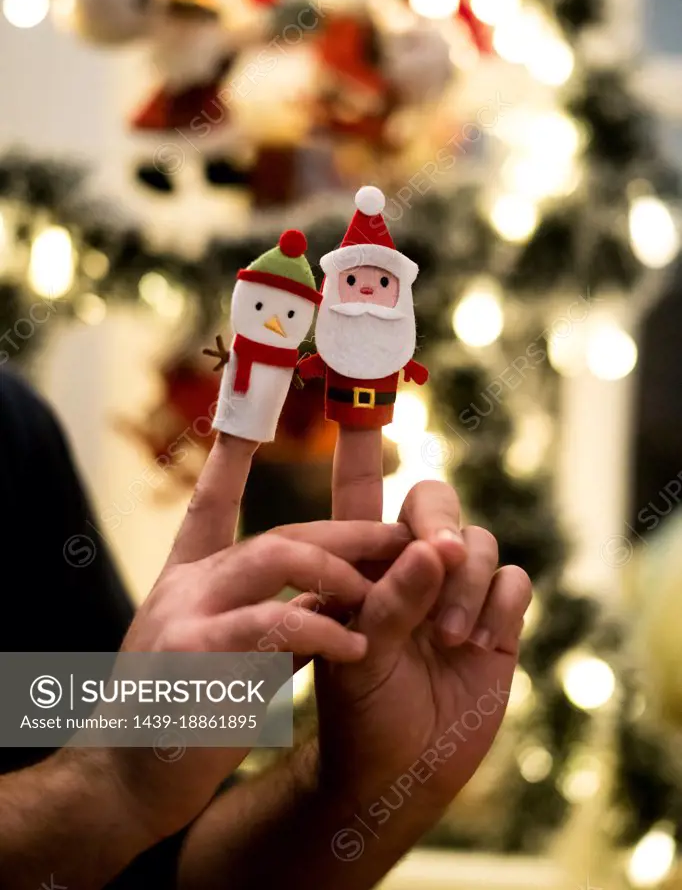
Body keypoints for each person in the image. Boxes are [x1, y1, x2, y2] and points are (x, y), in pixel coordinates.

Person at [0, 368, 532, 889]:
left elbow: (161, 859)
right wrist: (109, 787)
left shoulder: (13, 429)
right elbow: (112, 792)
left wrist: (368, 786)